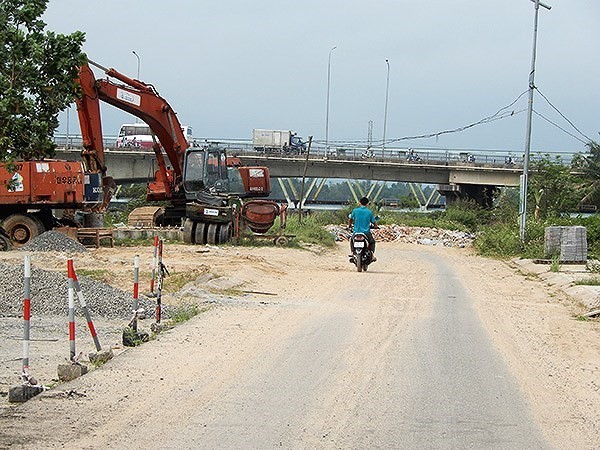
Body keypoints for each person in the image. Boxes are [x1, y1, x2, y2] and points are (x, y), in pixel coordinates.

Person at [348, 197, 378, 261]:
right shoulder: (369, 212)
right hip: (366, 232)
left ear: (359, 203)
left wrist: (349, 226)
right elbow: (373, 221)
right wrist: (375, 226)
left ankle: (353, 253)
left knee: (351, 240)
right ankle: (372, 255)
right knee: (372, 242)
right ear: (367, 204)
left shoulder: (355, 210)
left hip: (356, 232)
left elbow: (350, 219)